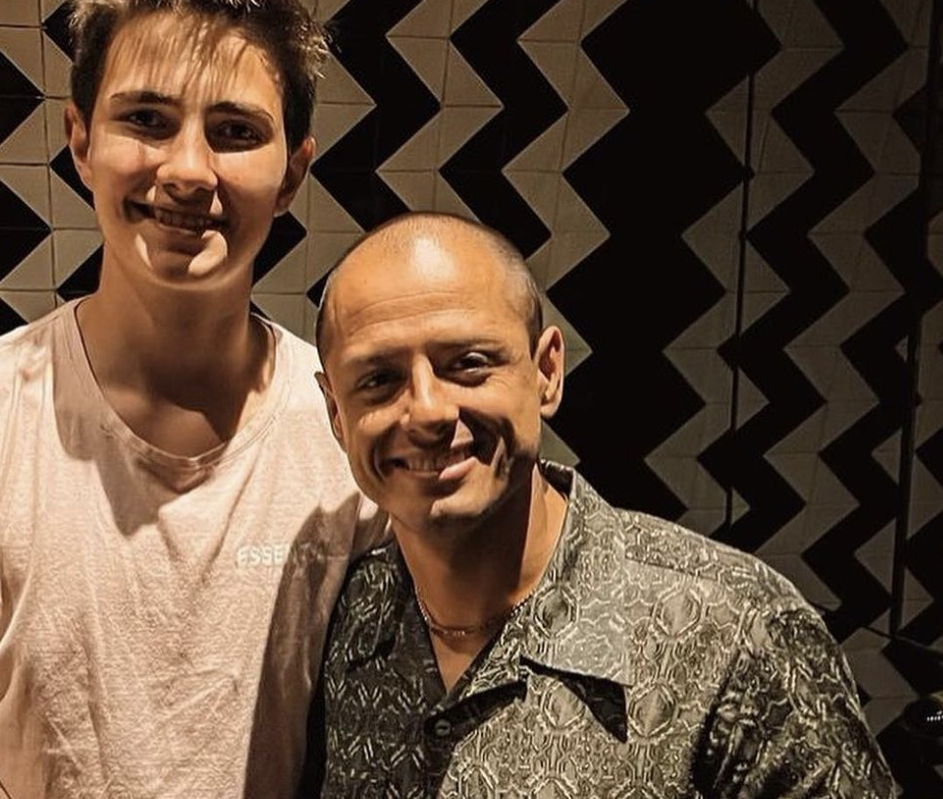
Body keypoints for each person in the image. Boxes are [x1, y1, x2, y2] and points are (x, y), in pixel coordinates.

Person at [0, 1, 383, 796]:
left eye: (235, 131)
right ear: (81, 141)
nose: (188, 170)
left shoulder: (354, 444)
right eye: (147, 119)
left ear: (293, 173)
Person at [307, 212, 895, 798]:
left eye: (468, 363)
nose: (428, 411)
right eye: (378, 380)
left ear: (546, 372)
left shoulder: (735, 633)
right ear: (336, 412)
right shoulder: (347, 616)